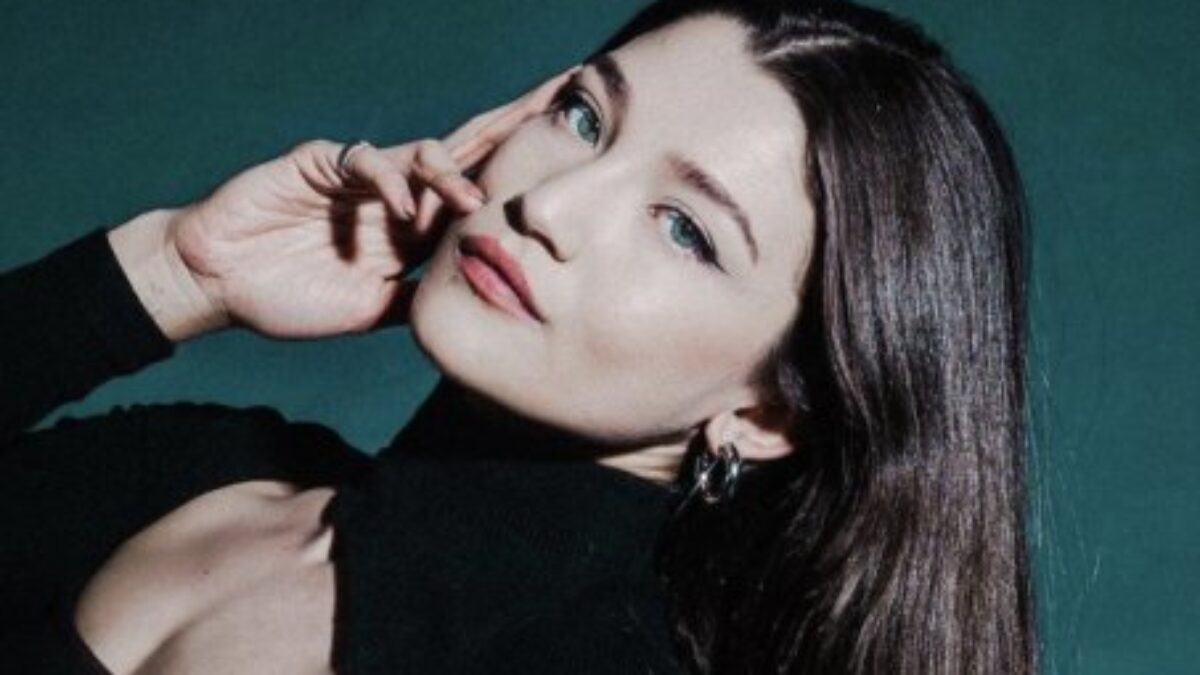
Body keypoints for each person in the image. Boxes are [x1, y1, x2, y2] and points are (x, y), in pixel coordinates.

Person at [0, 0, 1037, 673]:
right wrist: (170, 273)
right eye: (585, 118)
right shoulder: (209, 468)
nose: (554, 204)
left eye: (685, 229)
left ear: (768, 411)